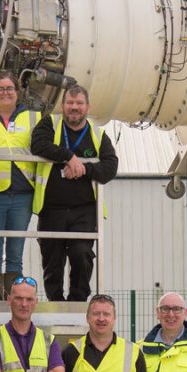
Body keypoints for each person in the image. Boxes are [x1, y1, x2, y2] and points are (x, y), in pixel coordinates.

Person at [30, 85, 118, 301]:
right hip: (52, 208)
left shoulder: (98, 136)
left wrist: (84, 169)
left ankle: (78, 302)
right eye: (70, 103)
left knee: (82, 254)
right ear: (63, 106)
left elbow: (110, 167)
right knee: (52, 259)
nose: (74, 108)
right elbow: (38, 145)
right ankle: (56, 303)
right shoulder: (50, 123)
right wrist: (69, 157)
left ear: (87, 107)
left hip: (84, 210)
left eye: (79, 104)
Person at [0, 72, 40, 299]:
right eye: (0, 88)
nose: (5, 92)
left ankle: (13, 299)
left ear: (17, 92)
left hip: (23, 193)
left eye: (10, 88)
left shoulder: (33, 117)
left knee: (15, 252)